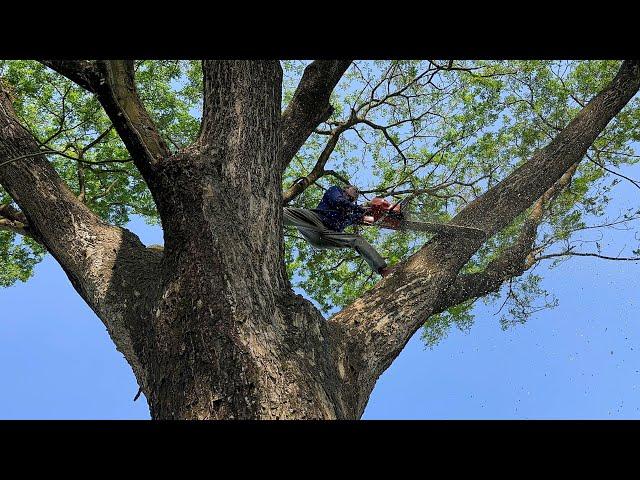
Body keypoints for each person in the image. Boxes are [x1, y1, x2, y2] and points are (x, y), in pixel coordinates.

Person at [283, 185, 394, 277]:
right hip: (315, 221)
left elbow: (368, 219)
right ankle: (272, 212)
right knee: (292, 213)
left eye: (357, 194)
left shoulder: (350, 214)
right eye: (354, 190)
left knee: (356, 240)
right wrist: (361, 208)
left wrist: (382, 213)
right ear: (346, 188)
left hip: (328, 235)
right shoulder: (335, 190)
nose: (356, 193)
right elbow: (337, 201)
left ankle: (382, 270)